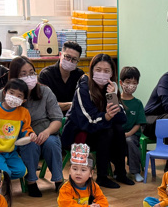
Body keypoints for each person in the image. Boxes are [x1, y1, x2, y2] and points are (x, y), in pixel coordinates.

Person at [63, 54, 130, 189]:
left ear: (112, 73)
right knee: (107, 130)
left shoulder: (111, 87)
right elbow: (88, 120)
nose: (102, 74)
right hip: (79, 132)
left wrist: (112, 96)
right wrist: (106, 117)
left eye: (106, 71)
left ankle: (120, 172)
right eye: (98, 70)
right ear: (92, 70)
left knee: (118, 129)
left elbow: (122, 118)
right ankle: (102, 177)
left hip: (98, 129)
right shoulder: (83, 88)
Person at [10, 56, 64, 197]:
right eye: (23, 74)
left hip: (46, 130)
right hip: (20, 136)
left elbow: (57, 119)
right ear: (15, 76)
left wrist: (47, 132)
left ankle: (59, 181)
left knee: (52, 142)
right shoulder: (7, 93)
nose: (29, 77)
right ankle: (31, 182)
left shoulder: (45, 91)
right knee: (29, 144)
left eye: (31, 73)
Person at [54, 143, 118, 207]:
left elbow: (102, 199)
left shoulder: (93, 186)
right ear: (70, 170)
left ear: (91, 173)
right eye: (75, 169)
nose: (78, 173)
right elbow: (67, 206)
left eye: (83, 170)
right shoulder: (66, 188)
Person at [38, 40, 83, 114]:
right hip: (51, 117)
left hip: (74, 117)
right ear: (60, 54)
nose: (70, 61)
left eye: (74, 59)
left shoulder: (80, 75)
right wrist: (72, 104)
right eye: (67, 57)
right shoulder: (46, 75)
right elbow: (45, 105)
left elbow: (83, 101)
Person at [120, 66, 146, 182]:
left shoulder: (138, 103)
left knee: (129, 141)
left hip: (132, 135)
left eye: (134, 83)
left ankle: (135, 171)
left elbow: (139, 123)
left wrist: (128, 133)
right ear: (121, 83)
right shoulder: (116, 100)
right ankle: (118, 171)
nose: (131, 85)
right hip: (118, 133)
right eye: (128, 82)